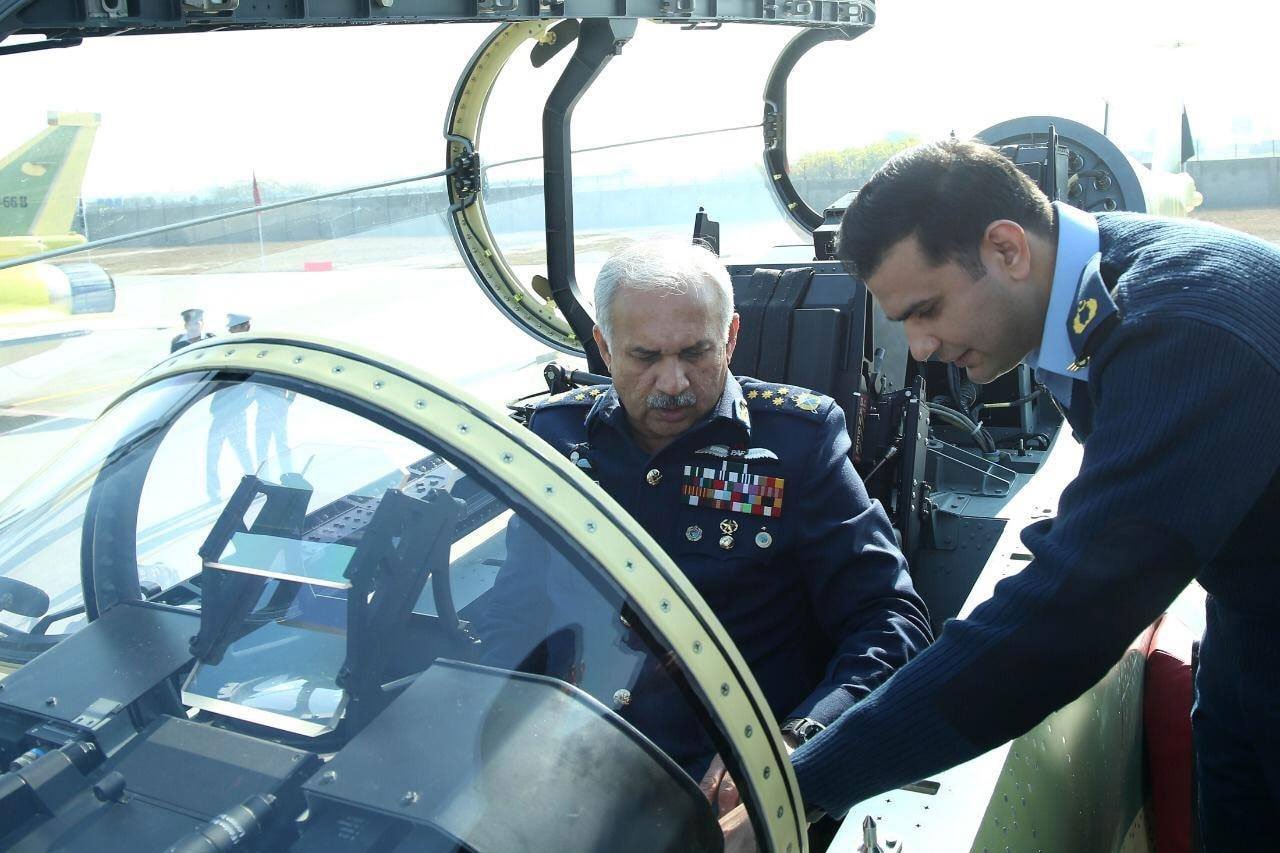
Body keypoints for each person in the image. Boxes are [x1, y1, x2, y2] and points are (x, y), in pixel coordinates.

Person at [722, 138, 1280, 851]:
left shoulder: (1180, 328)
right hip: (1251, 616)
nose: (920, 347)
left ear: (1008, 249)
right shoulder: (1096, 281)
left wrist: (800, 788)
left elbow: (1065, 616)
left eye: (927, 310)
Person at [476, 239, 932, 834]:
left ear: (732, 337)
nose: (673, 383)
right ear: (603, 347)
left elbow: (889, 621)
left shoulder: (798, 443)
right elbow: (514, 612)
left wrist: (793, 746)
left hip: (724, 791)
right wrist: (509, 716)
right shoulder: (556, 440)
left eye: (696, 353)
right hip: (567, 768)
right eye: (645, 357)